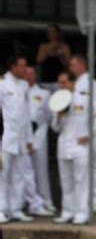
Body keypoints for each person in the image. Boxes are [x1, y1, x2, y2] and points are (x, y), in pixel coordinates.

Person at [51, 70, 96, 225]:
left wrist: (90, 134)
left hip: (80, 146)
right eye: (59, 82)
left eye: (64, 82)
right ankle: (67, 211)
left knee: (81, 181)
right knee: (66, 181)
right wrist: (58, 116)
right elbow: (55, 128)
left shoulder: (84, 99)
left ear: (72, 83)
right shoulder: (58, 102)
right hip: (63, 146)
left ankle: (81, 213)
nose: (61, 85)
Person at [0, 55, 35, 223]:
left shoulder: (23, 85)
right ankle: (1, 208)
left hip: (20, 138)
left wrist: (29, 139)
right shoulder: (2, 83)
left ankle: (16, 209)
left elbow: (26, 114)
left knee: (19, 174)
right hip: (5, 137)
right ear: (13, 67)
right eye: (22, 66)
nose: (24, 69)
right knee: (2, 175)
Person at [69, 53, 96, 212]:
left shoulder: (91, 83)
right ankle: (89, 201)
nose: (71, 68)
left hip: (91, 133)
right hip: (80, 133)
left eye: (73, 64)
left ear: (82, 64)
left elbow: (94, 110)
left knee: (93, 166)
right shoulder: (78, 82)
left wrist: (90, 132)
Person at [24, 65, 55, 212]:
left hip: (39, 136)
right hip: (21, 137)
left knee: (41, 170)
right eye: (27, 73)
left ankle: (45, 200)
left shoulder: (43, 92)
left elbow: (49, 116)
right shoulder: (19, 89)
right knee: (22, 171)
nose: (29, 76)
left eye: (32, 73)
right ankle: (25, 201)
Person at [36, 23, 71, 90]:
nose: (51, 34)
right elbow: (39, 60)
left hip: (59, 81)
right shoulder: (43, 46)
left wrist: (59, 55)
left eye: (53, 31)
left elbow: (67, 65)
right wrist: (49, 48)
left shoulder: (64, 47)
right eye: (49, 32)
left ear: (58, 33)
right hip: (45, 80)